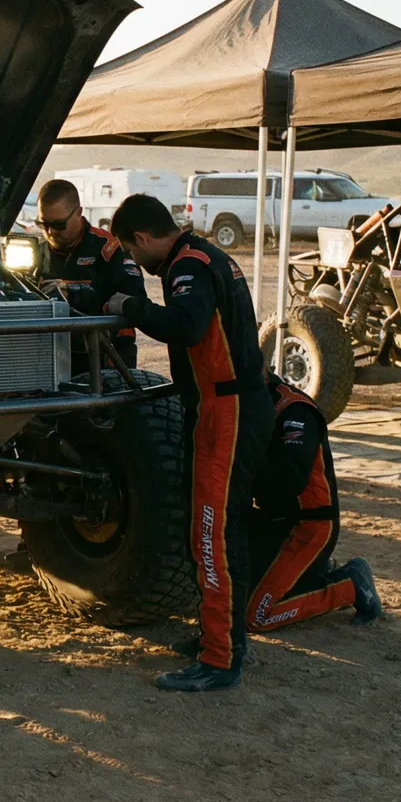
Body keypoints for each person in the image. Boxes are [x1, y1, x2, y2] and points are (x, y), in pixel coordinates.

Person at [103, 194, 270, 692]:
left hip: (227, 409)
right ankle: (224, 637)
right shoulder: (206, 255)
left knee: (210, 533)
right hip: (234, 405)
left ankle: (218, 659)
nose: (137, 264)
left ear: (144, 237)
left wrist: (130, 306)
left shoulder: (188, 267)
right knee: (227, 530)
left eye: (134, 254)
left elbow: (187, 326)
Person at [246, 376, 381, 632]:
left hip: (309, 526)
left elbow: (287, 484)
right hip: (271, 522)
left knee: (257, 615)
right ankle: (313, 573)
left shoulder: (294, 410)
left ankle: (350, 584)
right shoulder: (251, 405)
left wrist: (242, 455)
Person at [35, 179, 144, 367]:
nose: (51, 232)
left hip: (106, 356)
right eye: (43, 224)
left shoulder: (110, 248)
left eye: (59, 225)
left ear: (78, 213)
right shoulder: (35, 252)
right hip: (50, 355)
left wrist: (71, 295)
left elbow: (134, 299)